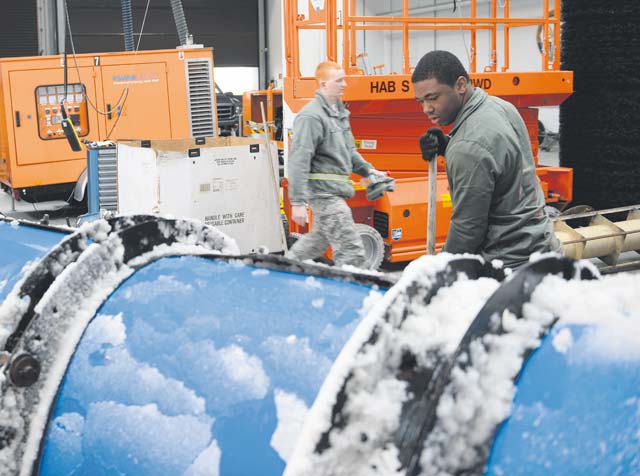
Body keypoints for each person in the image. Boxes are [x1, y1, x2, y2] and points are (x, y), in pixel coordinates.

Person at [412, 50, 561, 269]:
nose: (426, 109)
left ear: (461, 85)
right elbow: (501, 164)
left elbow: (467, 231)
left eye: (433, 98)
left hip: (511, 268)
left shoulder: (468, 147)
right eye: (420, 101)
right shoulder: (500, 107)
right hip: (543, 246)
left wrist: (438, 270)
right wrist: (448, 145)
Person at [286, 60, 387, 268]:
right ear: (323, 85)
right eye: (338, 80)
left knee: (317, 242)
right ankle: (357, 291)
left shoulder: (339, 115)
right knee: (351, 249)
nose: (344, 84)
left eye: (344, 80)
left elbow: (349, 152)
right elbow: (299, 158)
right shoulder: (311, 116)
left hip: (335, 191)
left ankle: (284, 269)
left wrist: (368, 170)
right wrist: (297, 202)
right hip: (324, 194)